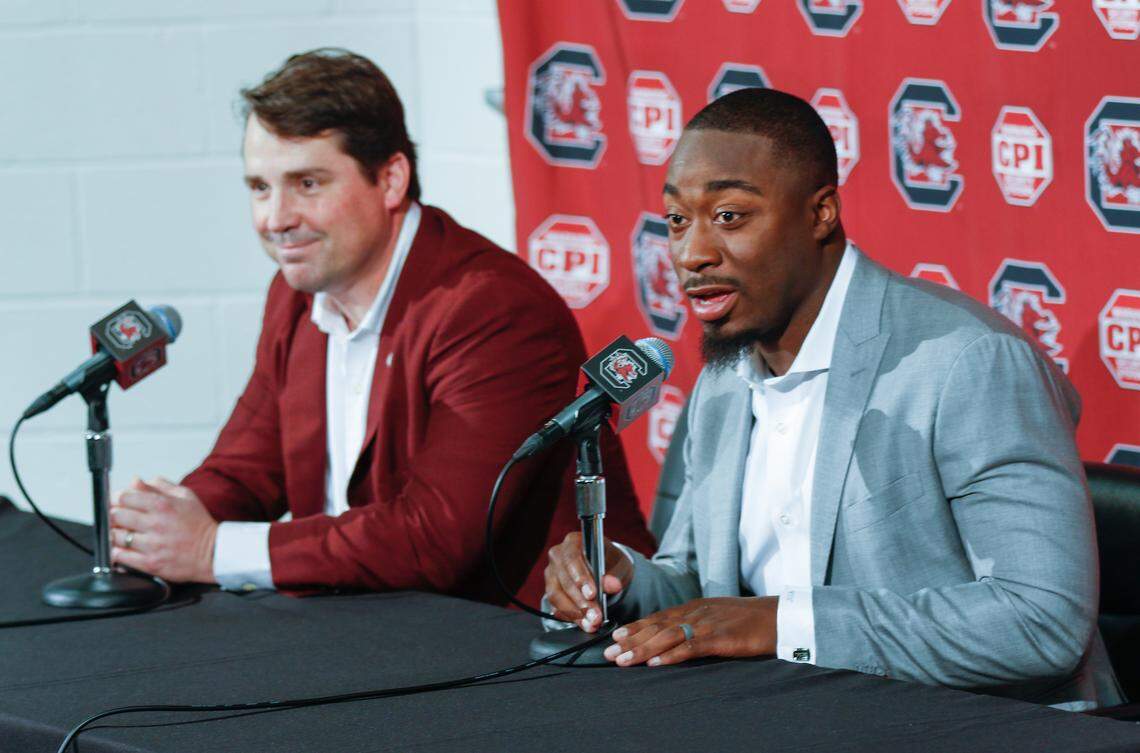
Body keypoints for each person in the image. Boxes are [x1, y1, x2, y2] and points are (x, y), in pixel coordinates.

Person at [544, 88, 1123, 709]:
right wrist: (624, 580)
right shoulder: (722, 378)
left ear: (821, 213)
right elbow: (703, 589)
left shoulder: (967, 362)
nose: (692, 253)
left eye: (731, 216)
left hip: (985, 727)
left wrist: (783, 623)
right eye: (678, 220)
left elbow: (1040, 621)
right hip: (793, 716)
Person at [107, 48, 654, 605]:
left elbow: (436, 537)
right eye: (259, 188)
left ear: (391, 179)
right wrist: (163, 524)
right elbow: (247, 467)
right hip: (374, 630)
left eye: (308, 184)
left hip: (529, 646)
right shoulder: (296, 296)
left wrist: (210, 550)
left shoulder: (491, 309)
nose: (276, 219)